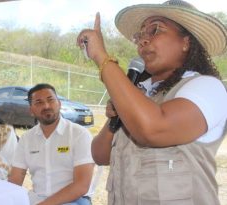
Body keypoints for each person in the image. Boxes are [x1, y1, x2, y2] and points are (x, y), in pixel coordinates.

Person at [77, 0, 227, 204]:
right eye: (140, 35)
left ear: (186, 42)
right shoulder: (138, 96)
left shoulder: (207, 87)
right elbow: (100, 155)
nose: (142, 40)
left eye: (155, 30)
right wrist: (116, 117)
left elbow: (153, 129)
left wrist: (102, 58)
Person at [8, 83, 94, 205]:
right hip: (37, 198)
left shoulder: (79, 134)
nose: (46, 106)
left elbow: (81, 186)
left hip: (74, 200)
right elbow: (15, 179)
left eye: (50, 100)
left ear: (59, 103)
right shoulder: (26, 139)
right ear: (31, 110)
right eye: (39, 102)